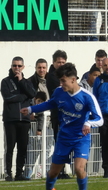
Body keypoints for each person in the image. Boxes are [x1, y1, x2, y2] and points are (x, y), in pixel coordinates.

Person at [21, 62, 103, 190]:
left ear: (73, 80)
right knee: (53, 172)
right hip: (64, 137)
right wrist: (31, 109)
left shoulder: (87, 97)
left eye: (63, 81)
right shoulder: (59, 92)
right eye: (60, 81)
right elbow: (50, 103)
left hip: (81, 138)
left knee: (79, 169)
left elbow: (99, 119)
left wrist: (88, 123)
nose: (61, 84)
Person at [0, 56, 36, 181]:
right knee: (10, 147)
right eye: (14, 65)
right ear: (11, 66)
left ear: (23, 67)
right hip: (11, 119)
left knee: (23, 147)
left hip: (24, 120)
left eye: (19, 66)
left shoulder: (27, 82)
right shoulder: (5, 81)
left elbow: (32, 94)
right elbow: (7, 98)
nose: (17, 68)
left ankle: (19, 173)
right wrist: (22, 96)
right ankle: (8, 173)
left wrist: (21, 82)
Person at [46, 50, 70, 179]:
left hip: (66, 114)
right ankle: (58, 171)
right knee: (59, 142)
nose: (61, 64)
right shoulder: (52, 76)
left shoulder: (63, 75)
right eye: (58, 62)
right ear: (54, 62)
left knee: (64, 143)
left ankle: (62, 169)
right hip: (57, 114)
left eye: (63, 62)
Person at [24, 91, 54, 179]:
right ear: (35, 99)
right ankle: (28, 172)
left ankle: (43, 168)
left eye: (42, 101)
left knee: (48, 149)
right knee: (33, 151)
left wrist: (39, 129)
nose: (40, 103)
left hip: (47, 129)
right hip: (34, 131)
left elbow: (41, 117)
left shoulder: (44, 107)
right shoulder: (29, 104)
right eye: (39, 101)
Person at [79, 67, 101, 176]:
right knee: (84, 147)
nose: (97, 78)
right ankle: (82, 170)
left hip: (95, 120)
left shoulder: (100, 85)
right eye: (95, 75)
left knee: (97, 146)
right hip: (85, 121)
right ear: (89, 75)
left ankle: (95, 171)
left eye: (98, 75)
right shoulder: (81, 87)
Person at [93, 58, 108, 178]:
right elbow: (95, 98)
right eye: (105, 65)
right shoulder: (99, 80)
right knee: (105, 143)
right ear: (101, 66)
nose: (107, 67)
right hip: (103, 116)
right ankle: (106, 170)